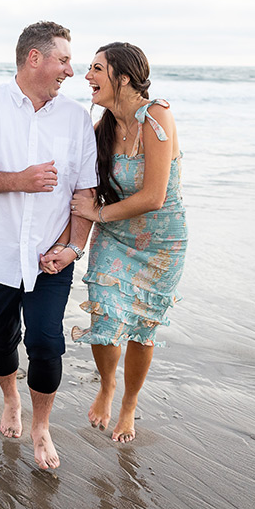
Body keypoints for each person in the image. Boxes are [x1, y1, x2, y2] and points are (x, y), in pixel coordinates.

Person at [0, 21, 97, 470]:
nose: (72, 70)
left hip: (52, 257)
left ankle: (41, 426)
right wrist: (19, 181)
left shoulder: (75, 119)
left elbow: (85, 195)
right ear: (36, 58)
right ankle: (11, 398)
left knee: (47, 343)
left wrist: (73, 248)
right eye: (64, 60)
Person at [67, 42, 188, 443]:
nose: (88, 76)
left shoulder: (158, 116)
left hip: (160, 243)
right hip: (116, 237)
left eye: (96, 69)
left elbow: (153, 197)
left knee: (141, 329)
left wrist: (95, 214)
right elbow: (80, 186)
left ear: (122, 77)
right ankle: (106, 384)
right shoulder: (101, 129)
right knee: (105, 321)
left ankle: (130, 405)